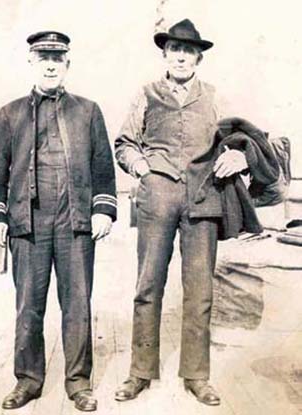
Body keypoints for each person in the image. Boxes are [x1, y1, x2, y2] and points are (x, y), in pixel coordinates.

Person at [114, 18, 252, 406]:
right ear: (165, 54)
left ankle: (197, 375)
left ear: (198, 58)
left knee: (200, 291)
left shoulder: (213, 96)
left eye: (188, 51)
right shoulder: (146, 94)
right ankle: (140, 372)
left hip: (203, 199)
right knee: (147, 285)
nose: (181, 56)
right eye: (174, 49)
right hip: (156, 198)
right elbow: (124, 142)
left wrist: (238, 156)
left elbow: (238, 139)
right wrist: (141, 168)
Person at [0, 31, 116, 412]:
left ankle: (78, 383)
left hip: (75, 225)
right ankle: (27, 380)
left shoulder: (88, 111)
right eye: (44, 57)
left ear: (68, 64)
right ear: (31, 62)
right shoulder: (9, 114)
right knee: (28, 307)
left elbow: (103, 169)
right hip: (27, 224)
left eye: (58, 57)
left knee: (77, 305)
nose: (51, 64)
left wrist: (102, 210)